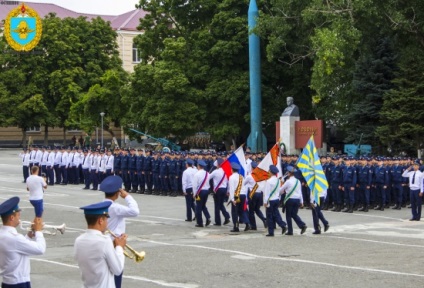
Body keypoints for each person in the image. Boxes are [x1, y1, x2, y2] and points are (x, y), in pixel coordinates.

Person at [74, 201, 127, 288]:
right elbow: (117, 270)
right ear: (100, 220)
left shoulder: (79, 240)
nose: (107, 223)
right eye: (106, 219)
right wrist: (119, 248)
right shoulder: (105, 241)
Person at [101, 176, 139, 288]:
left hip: (104, 242)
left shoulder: (101, 205)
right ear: (118, 193)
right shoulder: (115, 207)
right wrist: (127, 197)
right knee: (116, 273)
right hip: (115, 243)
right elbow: (135, 211)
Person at [0, 196, 46, 288]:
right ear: (12, 218)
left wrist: (29, 236)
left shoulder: (4, 234)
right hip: (19, 283)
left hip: (8, 282)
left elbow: (17, 249)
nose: (19, 218)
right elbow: (40, 249)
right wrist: (38, 231)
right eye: (18, 215)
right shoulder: (14, 238)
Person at [279, 166, 307, 235]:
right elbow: (300, 192)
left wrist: (279, 193)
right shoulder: (298, 181)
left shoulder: (288, 181)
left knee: (288, 215)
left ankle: (290, 231)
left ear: (289, 173)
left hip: (290, 199)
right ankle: (302, 225)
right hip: (297, 199)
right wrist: (301, 201)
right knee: (294, 214)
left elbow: (281, 190)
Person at [263, 165, 287, 236]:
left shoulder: (269, 181)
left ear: (270, 172)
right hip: (276, 199)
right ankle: (283, 225)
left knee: (269, 216)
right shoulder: (278, 180)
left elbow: (267, 192)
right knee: (276, 214)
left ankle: (271, 232)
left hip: (270, 200)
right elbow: (279, 190)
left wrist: (265, 201)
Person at [228, 162, 250, 232]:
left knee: (235, 212)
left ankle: (236, 227)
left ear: (232, 169)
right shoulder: (241, 177)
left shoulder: (231, 177)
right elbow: (244, 187)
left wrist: (232, 199)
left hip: (236, 196)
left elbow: (231, 189)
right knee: (242, 211)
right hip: (243, 195)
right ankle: (247, 223)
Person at [245, 161, 267, 230]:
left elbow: (244, 183)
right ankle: (264, 219)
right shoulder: (260, 175)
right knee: (257, 209)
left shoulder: (250, 176)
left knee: (251, 211)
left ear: (252, 168)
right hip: (259, 194)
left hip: (253, 194)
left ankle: (253, 226)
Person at [209, 158, 231, 226]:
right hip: (224, 189)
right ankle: (227, 217)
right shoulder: (225, 171)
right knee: (221, 204)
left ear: (218, 165)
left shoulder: (215, 171)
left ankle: (218, 221)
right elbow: (228, 182)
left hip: (218, 190)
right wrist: (228, 191)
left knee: (217, 206)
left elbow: (208, 177)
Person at [192, 160, 211, 227]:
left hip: (200, 192)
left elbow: (194, 185)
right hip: (206, 191)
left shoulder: (197, 174)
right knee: (203, 205)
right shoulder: (207, 173)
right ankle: (208, 217)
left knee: (198, 207)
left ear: (198, 166)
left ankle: (200, 223)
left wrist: (194, 194)